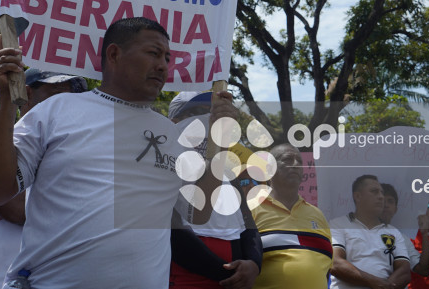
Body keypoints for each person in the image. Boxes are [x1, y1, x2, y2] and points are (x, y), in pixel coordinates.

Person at [0, 17, 236, 288]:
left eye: (167, 58)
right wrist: (5, 99)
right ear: (113, 54)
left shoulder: (170, 135)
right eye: (153, 53)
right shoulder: (56, 111)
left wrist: (220, 142)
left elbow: (198, 212)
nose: (163, 65)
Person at [0, 69, 87, 289]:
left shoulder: (76, 151)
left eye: (72, 97)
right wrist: (76, 205)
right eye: (56, 95)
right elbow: (16, 209)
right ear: (26, 94)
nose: (65, 104)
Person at [167, 90, 262, 289]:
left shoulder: (228, 176)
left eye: (212, 112)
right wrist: (230, 274)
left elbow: (249, 228)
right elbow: (175, 237)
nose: (208, 119)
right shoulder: (163, 172)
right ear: (173, 123)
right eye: (196, 113)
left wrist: (254, 264)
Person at [251, 143, 332, 289]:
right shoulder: (250, 210)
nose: (295, 164)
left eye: (299, 161)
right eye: (287, 159)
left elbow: (326, 266)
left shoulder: (317, 215)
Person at [330, 174, 411, 289]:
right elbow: (335, 263)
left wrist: (383, 286)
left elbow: (404, 271)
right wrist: (374, 283)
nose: (381, 197)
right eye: (374, 191)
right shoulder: (337, 224)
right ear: (357, 196)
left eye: (381, 193)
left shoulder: (393, 232)